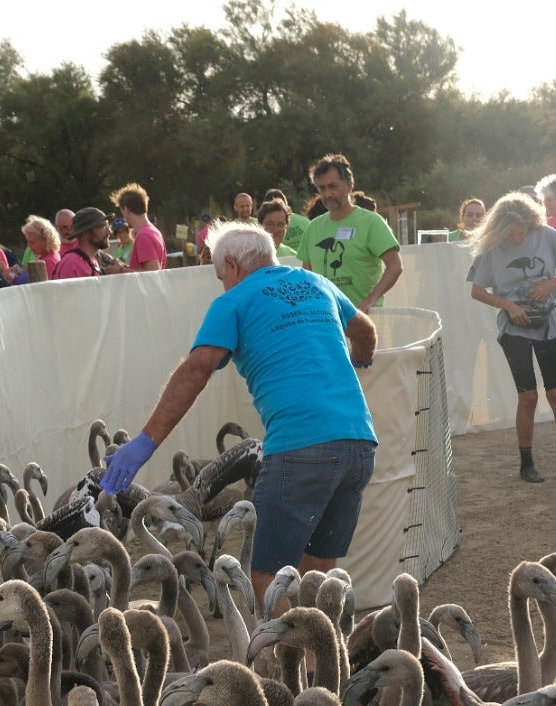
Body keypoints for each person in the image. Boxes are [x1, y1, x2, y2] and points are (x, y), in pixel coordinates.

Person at [100, 221, 377, 607]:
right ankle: (325, 662)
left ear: (231, 264)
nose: (222, 285)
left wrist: (145, 442)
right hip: (358, 443)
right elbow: (365, 330)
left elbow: (197, 369)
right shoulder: (316, 284)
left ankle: (300, 667)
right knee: (319, 572)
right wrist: (358, 360)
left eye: (220, 277)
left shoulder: (233, 301)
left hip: (300, 447)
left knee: (268, 575)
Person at [469, 191, 556, 484]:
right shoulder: (493, 247)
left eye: (522, 230)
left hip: (546, 323)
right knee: (528, 396)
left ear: (530, 223)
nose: (517, 237)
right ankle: (527, 464)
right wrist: (508, 305)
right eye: (511, 231)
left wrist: (553, 283)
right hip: (513, 329)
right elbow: (477, 290)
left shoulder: (546, 234)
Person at [298, 153, 401, 313]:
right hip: (328, 320)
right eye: (322, 188)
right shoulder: (313, 228)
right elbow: (307, 276)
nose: (327, 194)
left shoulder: (371, 222)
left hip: (366, 319)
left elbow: (395, 265)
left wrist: (371, 300)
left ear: (349, 185)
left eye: (333, 186)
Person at [110, 183, 166, 272]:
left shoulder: (143, 236)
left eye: (122, 212)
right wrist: (126, 267)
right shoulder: (154, 231)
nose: (123, 217)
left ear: (126, 209)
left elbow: (152, 273)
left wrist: (121, 270)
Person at [53, 208, 112, 280]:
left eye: (108, 226)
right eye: (102, 226)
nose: (109, 232)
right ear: (85, 233)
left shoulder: (96, 259)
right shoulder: (73, 263)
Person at [17, 216, 61, 280]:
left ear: (46, 240)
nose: (28, 246)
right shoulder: (43, 256)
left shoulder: (49, 262)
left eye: (32, 242)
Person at [265, 187, 308, 253]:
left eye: (280, 224)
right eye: (270, 224)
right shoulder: (306, 222)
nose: (275, 229)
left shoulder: (259, 226)